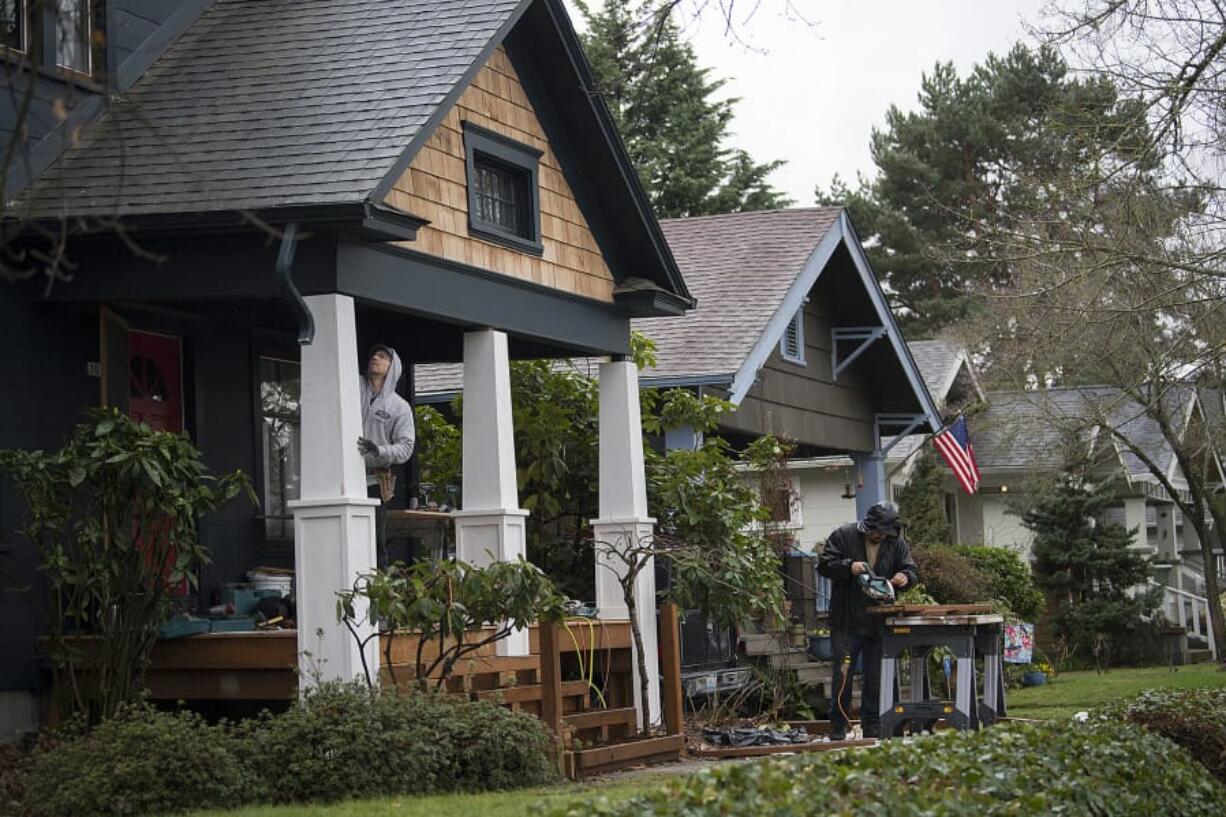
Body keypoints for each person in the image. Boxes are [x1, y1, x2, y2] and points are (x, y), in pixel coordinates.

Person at [817, 501, 919, 741]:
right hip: (846, 620)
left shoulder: (896, 543)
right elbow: (823, 565)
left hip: (878, 621)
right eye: (877, 532)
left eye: (884, 533)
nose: (880, 536)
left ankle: (872, 724)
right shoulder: (844, 535)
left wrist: (906, 577)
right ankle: (839, 725)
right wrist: (848, 567)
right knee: (843, 673)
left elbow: (911, 569)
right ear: (868, 526)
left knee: (876, 675)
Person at [356, 344, 415, 560]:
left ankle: (377, 589)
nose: (375, 358)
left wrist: (378, 450)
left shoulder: (399, 407)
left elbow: (406, 447)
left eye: (382, 356)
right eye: (373, 354)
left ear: (393, 367)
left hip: (373, 481)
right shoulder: (354, 387)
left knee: (374, 541)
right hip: (344, 476)